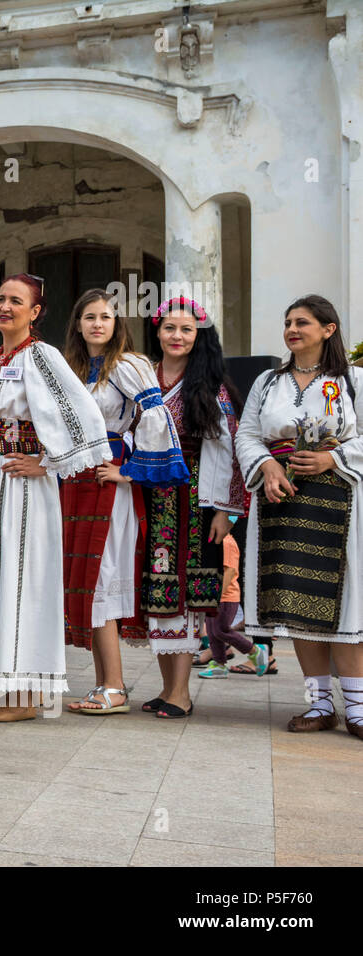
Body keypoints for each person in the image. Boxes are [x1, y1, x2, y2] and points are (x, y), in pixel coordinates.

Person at [0, 274, 111, 721]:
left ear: (35, 311)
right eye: (1, 299)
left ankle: (27, 695)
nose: (5, 307)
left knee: (22, 579)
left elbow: (82, 413)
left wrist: (46, 462)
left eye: (16, 301)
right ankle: (1, 684)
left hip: (21, 481)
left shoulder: (41, 356)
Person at [235, 295, 363, 735]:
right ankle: (318, 705)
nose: (292, 329)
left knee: (345, 603)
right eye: (288, 322)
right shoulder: (268, 383)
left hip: (341, 502)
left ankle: (359, 710)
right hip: (282, 502)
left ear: (328, 329)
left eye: (302, 322)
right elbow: (247, 434)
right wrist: (266, 466)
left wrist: (335, 459)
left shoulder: (354, 381)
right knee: (298, 602)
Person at [61, 289, 190, 714]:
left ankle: (114, 687)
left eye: (106, 317)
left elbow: (156, 418)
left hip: (106, 475)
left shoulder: (129, 364)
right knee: (84, 576)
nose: (98, 324)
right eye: (89, 316)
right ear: (77, 324)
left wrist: (129, 470)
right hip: (75, 477)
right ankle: (104, 685)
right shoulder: (72, 368)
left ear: (117, 324)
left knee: (102, 575)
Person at [142, 297, 247, 719]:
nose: (177, 336)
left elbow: (227, 450)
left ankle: (181, 692)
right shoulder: (144, 377)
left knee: (183, 592)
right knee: (155, 589)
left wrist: (225, 510)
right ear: (158, 332)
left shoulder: (210, 386)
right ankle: (168, 686)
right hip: (148, 495)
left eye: (187, 329)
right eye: (170, 328)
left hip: (193, 499)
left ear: (199, 336)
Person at [197, 533, 267, 679]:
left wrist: (218, 595)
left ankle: (254, 651)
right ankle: (219, 664)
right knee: (212, 631)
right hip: (215, 595)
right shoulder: (214, 539)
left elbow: (230, 570)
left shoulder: (226, 542)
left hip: (226, 596)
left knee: (220, 630)